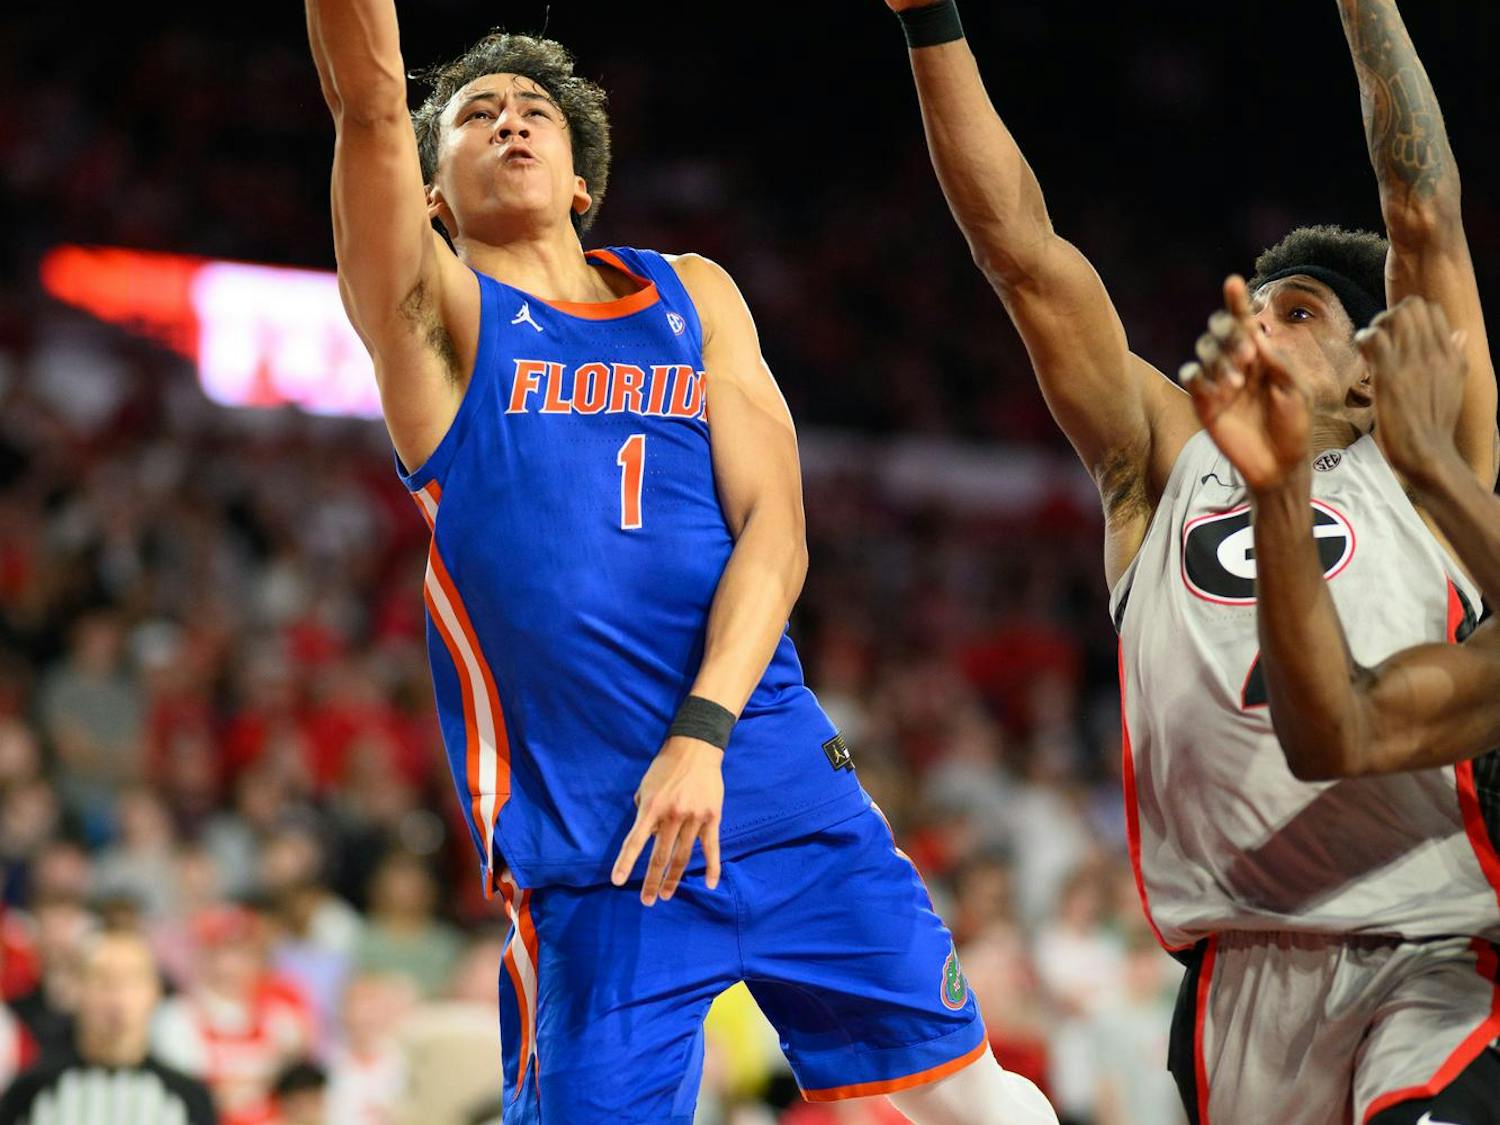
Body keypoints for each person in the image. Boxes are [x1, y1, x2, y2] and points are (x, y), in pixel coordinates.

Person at [303, 2, 1059, 1121]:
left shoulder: (692, 293)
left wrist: (703, 734)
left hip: (772, 780)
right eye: (475, 116)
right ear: (428, 194)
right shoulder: (436, 321)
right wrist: (385, 99)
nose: (511, 123)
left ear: (578, 181)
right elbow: (366, 95)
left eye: (535, 113)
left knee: (983, 1103)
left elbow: (777, 534)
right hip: (596, 840)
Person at [886, 0, 1499, 1121]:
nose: (1256, 320)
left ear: (1371, 374)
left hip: (1429, 952)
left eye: (1299, 309)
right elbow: (1021, 256)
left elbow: (1424, 214)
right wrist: (931, 22)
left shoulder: (1418, 455)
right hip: (1234, 972)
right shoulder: (1170, 462)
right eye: (1249, 305)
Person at [0, 930, 216, 1125]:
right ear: (77, 990)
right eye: (102, 979)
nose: (116, 996)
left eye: (131, 979)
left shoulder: (189, 1097)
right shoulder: (30, 1092)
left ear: (155, 993)